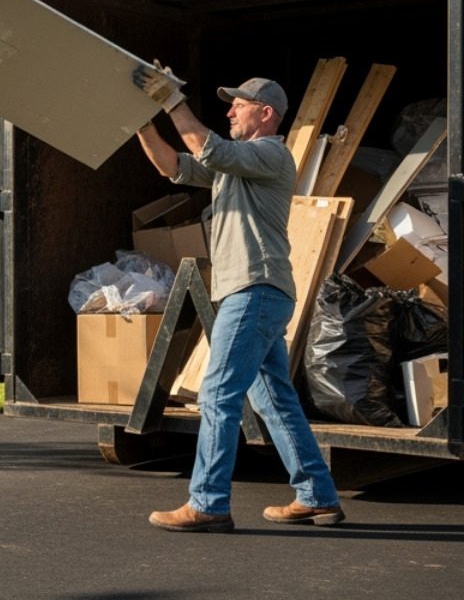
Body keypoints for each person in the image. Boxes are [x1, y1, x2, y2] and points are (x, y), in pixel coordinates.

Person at [130, 65, 344, 533]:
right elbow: (174, 166)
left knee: (217, 394)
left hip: (254, 290)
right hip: (257, 293)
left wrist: (172, 102)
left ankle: (208, 503)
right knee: (274, 401)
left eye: (238, 105)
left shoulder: (269, 153)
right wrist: (142, 122)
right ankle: (318, 496)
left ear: (265, 114)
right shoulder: (236, 166)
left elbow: (205, 146)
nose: (230, 111)